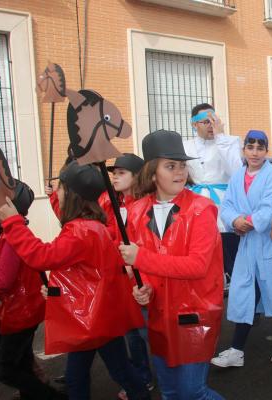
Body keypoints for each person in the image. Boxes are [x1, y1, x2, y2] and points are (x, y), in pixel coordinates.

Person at [0, 161, 149, 400]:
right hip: (100, 315)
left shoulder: (79, 230)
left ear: (72, 195)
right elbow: (82, 273)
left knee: (82, 378)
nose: (57, 193)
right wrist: (57, 290)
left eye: (61, 189)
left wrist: (13, 222)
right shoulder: (92, 225)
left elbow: (41, 257)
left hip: (89, 319)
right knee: (119, 370)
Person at [119, 129, 224, 399]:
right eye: (170, 166)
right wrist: (142, 288)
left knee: (193, 392)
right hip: (159, 315)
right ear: (153, 173)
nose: (180, 172)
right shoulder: (136, 211)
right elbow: (139, 268)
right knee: (169, 391)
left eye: (182, 165)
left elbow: (197, 266)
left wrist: (140, 259)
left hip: (194, 314)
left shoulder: (202, 209)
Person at [0, 181, 57, 399]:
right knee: (22, 362)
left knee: (5, 370)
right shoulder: (10, 233)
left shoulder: (12, 238)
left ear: (7, 205)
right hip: (20, 310)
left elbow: (2, 282)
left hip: (20, 313)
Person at [212, 130, 272, 368]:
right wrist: (234, 220)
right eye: (251, 147)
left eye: (260, 148)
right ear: (244, 150)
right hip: (248, 244)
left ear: (266, 151)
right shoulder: (237, 176)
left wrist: (245, 222)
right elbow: (226, 204)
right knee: (244, 293)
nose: (255, 153)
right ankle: (237, 350)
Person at [105, 154, 154, 400]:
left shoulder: (144, 205)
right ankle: (142, 377)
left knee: (147, 332)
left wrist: (132, 264)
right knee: (132, 333)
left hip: (143, 278)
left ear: (137, 176)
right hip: (123, 278)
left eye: (122, 172)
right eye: (114, 172)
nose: (115, 176)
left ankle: (169, 372)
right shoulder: (116, 205)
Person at [184, 103, 243, 293]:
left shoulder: (230, 142)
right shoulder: (185, 146)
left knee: (230, 250)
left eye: (214, 121)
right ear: (194, 125)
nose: (211, 125)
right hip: (196, 205)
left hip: (224, 203)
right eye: (205, 122)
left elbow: (236, 171)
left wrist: (221, 138)